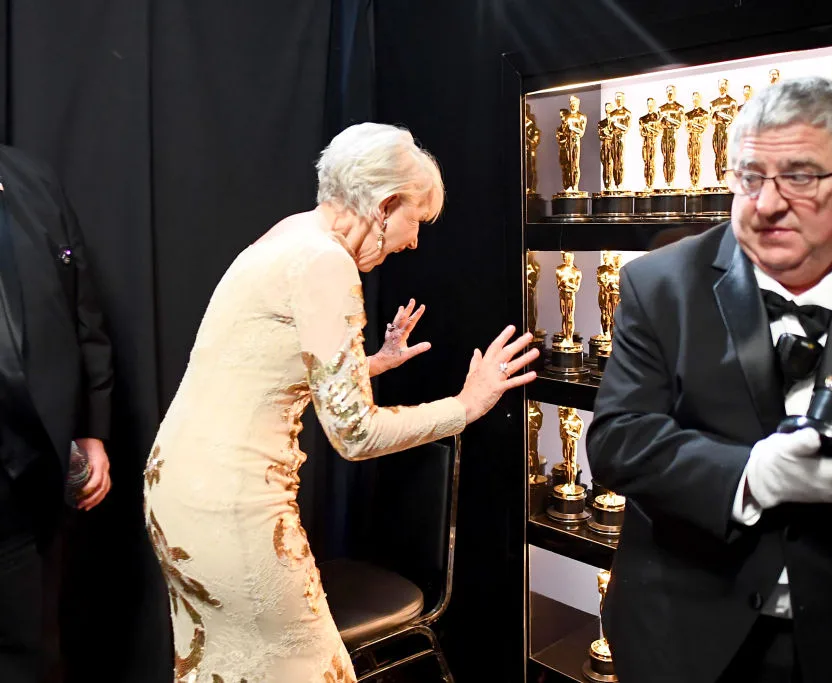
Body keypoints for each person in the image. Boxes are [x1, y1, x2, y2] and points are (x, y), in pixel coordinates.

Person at [142, 122, 539, 682]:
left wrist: (367, 364)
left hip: (180, 492)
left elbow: (260, 364)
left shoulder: (291, 235)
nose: (414, 242)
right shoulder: (326, 261)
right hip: (231, 510)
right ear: (384, 204)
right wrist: (466, 405)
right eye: (415, 222)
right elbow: (356, 436)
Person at [586, 77, 832, 683]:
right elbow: (619, 440)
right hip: (684, 634)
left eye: (799, 177)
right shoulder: (658, 282)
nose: (767, 204)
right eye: (749, 177)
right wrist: (749, 475)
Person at [0, 145, 114, 682]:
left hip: (32, 473)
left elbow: (82, 310)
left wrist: (92, 431)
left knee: (32, 649)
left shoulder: (31, 179)